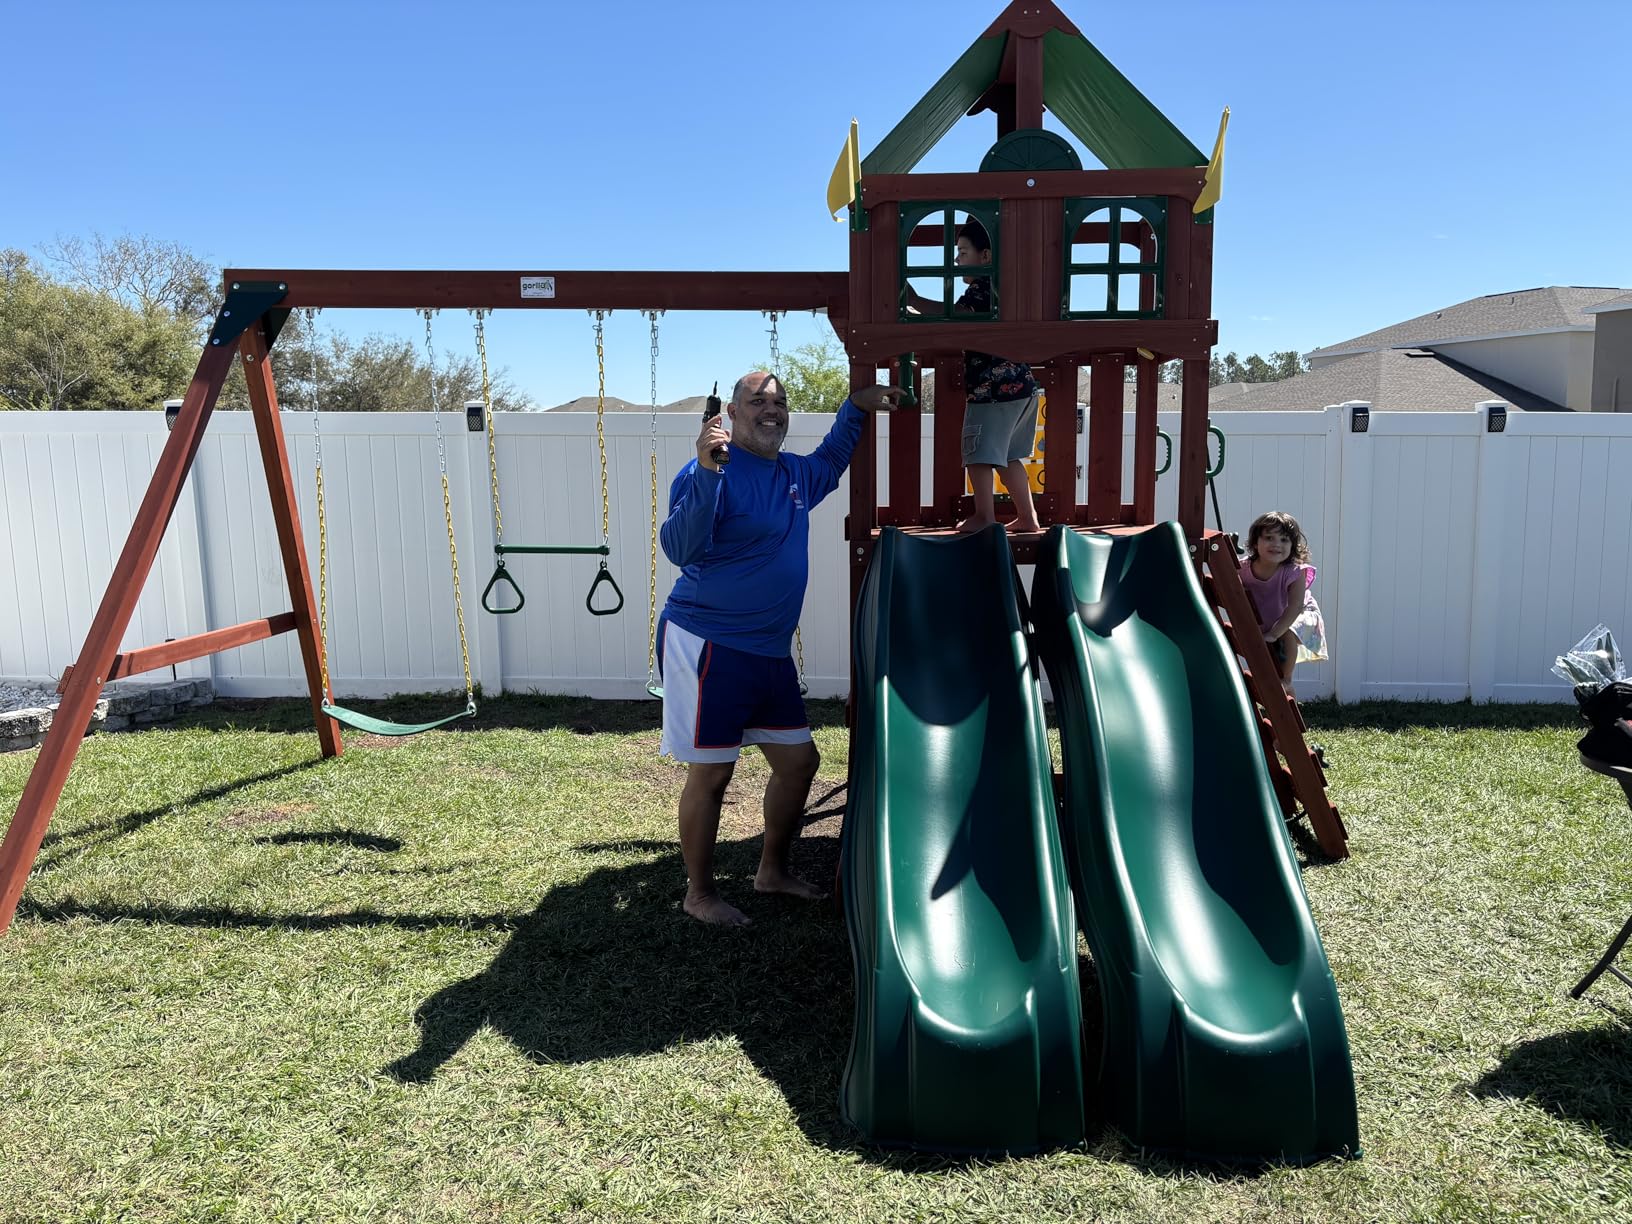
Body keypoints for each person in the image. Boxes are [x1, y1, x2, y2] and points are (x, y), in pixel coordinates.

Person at [658, 370, 904, 926]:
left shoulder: (794, 473)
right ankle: (699, 893)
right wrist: (704, 470)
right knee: (713, 774)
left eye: (779, 402)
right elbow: (679, 547)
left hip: (768, 652)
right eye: (757, 401)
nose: (772, 410)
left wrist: (855, 406)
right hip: (708, 642)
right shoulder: (709, 472)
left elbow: (835, 455)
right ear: (731, 415)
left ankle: (771, 870)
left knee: (799, 763)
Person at [905, 216, 1041, 535]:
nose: (956, 259)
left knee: (978, 453)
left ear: (986, 256)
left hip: (991, 388)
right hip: (1022, 387)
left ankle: (984, 516)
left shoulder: (984, 286)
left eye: (963, 251)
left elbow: (957, 318)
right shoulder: (1005, 289)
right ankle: (1027, 516)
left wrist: (915, 301)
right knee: (1009, 457)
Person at [1239, 511, 1324, 694]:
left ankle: (1286, 678)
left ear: (1293, 545)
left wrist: (1274, 633)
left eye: (1284, 540)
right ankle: (1288, 699)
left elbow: (1295, 606)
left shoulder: (1294, 571)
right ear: (1255, 542)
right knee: (1270, 665)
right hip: (1273, 616)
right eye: (1269, 538)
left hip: (1301, 615)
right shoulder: (1244, 568)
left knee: (1288, 633)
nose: (1277, 544)